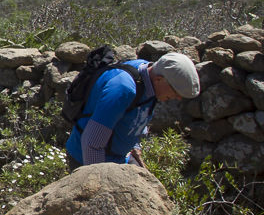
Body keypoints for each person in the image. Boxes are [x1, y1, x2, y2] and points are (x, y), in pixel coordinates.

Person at [66, 52, 200, 168]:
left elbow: (136, 114)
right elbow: (92, 144)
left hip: (120, 158)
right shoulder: (123, 89)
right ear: (159, 79)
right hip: (88, 160)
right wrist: (100, 185)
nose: (178, 98)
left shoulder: (148, 74)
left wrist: (135, 147)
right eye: (176, 92)